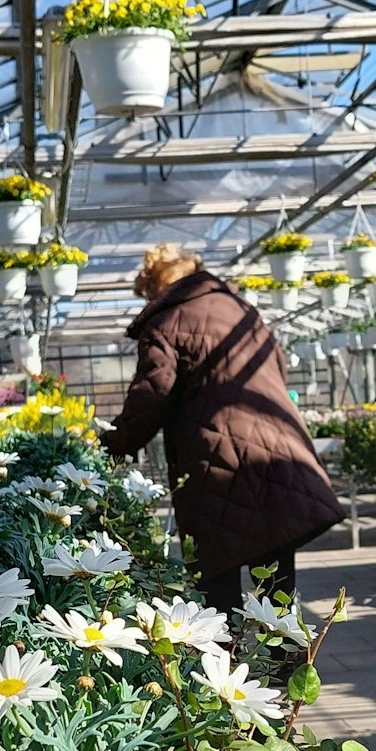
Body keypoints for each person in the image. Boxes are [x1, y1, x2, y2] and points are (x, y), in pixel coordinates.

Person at [101, 243, 343, 608]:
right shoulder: (241, 309)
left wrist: (111, 445)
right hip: (276, 455)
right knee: (277, 593)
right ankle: (287, 665)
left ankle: (226, 663)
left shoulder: (166, 321)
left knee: (217, 592)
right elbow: (277, 367)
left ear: (157, 287)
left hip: (215, 468)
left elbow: (153, 393)